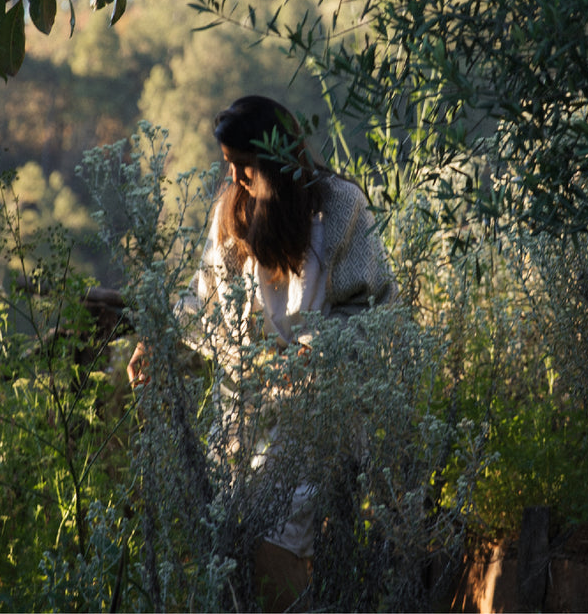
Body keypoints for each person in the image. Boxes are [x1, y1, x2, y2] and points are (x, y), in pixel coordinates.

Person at [128, 95, 396, 610]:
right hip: (245, 416)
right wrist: (158, 338)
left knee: (283, 542)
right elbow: (205, 302)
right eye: (229, 165)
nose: (236, 176)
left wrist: (314, 354)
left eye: (245, 165)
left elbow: (372, 310)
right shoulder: (233, 212)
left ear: (275, 159)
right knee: (234, 546)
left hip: (317, 417)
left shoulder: (340, 207)